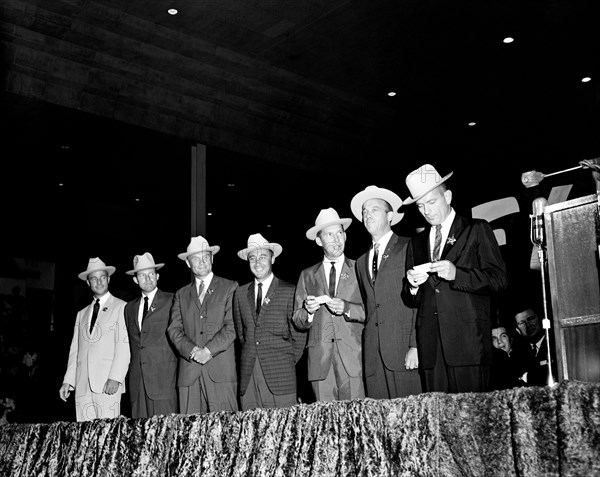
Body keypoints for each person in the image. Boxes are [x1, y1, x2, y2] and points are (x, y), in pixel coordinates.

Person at [402, 164, 508, 393]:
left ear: (447, 196)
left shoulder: (476, 229)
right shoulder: (416, 243)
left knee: (473, 420)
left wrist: (457, 274)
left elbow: (499, 279)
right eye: (420, 206)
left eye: (431, 202)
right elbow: (411, 300)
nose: (426, 211)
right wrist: (411, 286)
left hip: (469, 345)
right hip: (431, 349)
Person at [351, 186, 421, 398]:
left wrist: (415, 345)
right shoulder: (361, 262)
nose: (367, 215)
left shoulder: (409, 246)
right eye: (364, 211)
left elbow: (420, 298)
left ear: (390, 215)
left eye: (374, 209)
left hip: (402, 351)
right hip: (374, 357)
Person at [292, 208, 365, 401]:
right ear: (318, 241)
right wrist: (307, 311)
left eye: (339, 233)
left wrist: (347, 308)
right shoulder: (307, 275)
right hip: (320, 361)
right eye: (329, 234)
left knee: (356, 420)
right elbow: (297, 320)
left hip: (354, 358)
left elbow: (373, 311)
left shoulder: (360, 268)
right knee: (325, 425)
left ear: (346, 236)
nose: (336, 239)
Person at [233, 233, 305, 410]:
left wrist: (283, 362)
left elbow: (299, 338)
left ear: (272, 259)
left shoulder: (290, 291)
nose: (257, 262)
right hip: (248, 379)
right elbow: (242, 336)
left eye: (263, 256)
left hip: (281, 378)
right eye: (252, 258)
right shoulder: (240, 294)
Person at [167, 236, 239, 413]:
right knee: (189, 435)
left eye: (205, 257)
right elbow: (174, 329)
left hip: (220, 372)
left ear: (212, 259)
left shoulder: (230, 287)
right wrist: (192, 351)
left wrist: (208, 351)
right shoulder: (181, 294)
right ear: (188, 264)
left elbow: (233, 326)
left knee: (225, 431)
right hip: (189, 374)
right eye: (195, 259)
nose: (201, 262)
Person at [59, 258, 130, 421]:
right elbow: (75, 351)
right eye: (94, 278)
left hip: (107, 385)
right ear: (88, 283)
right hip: (83, 385)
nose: (99, 282)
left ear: (109, 279)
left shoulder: (121, 307)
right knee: (85, 439)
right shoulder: (81, 314)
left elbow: (123, 346)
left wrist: (116, 377)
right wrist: (68, 381)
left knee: (107, 437)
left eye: (102, 277)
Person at [124, 252, 177, 418]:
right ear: (135, 280)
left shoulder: (172, 300)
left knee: (165, 435)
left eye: (151, 274)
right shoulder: (129, 308)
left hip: (164, 382)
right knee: (139, 437)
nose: (147, 279)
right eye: (142, 275)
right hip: (137, 384)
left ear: (158, 276)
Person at [514, 307, 555, 387]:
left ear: (540, 319)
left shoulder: (554, 344)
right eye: (522, 323)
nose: (527, 325)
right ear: (517, 329)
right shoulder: (519, 353)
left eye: (530, 319)